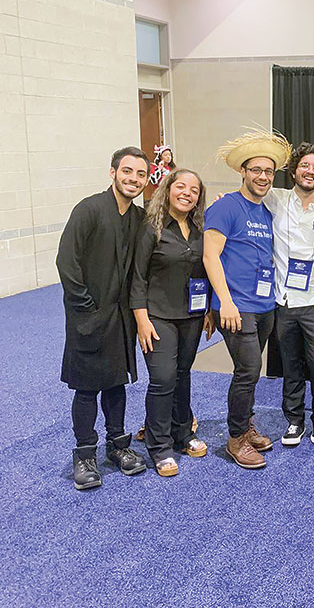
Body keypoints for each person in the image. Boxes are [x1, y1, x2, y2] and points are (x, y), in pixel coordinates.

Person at [56, 146, 149, 490]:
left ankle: (118, 446)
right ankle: (84, 454)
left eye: (140, 174)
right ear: (113, 173)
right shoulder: (90, 209)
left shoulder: (138, 218)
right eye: (127, 172)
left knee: (116, 382)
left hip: (121, 318)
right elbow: (67, 262)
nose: (134, 179)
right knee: (86, 388)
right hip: (88, 316)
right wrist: (86, 309)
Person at [204, 128, 292, 469]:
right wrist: (223, 302)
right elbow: (211, 256)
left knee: (250, 372)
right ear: (243, 171)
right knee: (248, 370)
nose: (263, 176)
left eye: (268, 171)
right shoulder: (226, 207)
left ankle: (247, 422)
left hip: (264, 305)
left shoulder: (266, 211)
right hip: (236, 307)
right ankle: (236, 437)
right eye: (256, 170)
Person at [130, 168, 213, 476]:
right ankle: (159, 445)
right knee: (163, 378)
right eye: (181, 186)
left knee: (182, 374)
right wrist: (141, 318)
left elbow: (205, 271)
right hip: (157, 315)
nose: (187, 193)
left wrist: (209, 311)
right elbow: (137, 277)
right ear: (168, 188)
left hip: (192, 314)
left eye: (194, 190)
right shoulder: (152, 227)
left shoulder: (199, 227)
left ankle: (182, 433)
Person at [266, 142, 314, 446]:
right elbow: (245, 198)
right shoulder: (275, 199)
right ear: (294, 170)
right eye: (305, 166)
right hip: (283, 299)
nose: (310, 172)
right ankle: (294, 420)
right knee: (290, 364)